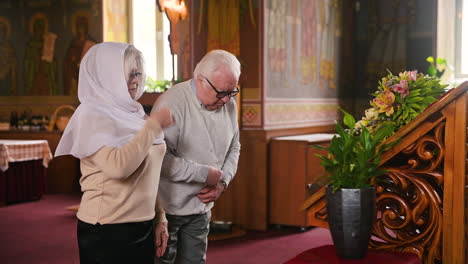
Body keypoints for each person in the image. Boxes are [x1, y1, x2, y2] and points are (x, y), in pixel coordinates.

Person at [55, 42, 173, 264]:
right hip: (107, 229)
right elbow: (119, 167)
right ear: (107, 76)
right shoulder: (91, 114)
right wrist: (153, 126)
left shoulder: (137, 115)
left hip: (143, 224)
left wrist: (160, 217)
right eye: (126, 75)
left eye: (137, 73)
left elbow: (151, 173)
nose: (135, 81)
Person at [154, 49, 241, 264]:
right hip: (167, 208)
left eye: (233, 92)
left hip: (201, 209)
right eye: (221, 93)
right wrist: (205, 174)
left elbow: (234, 147)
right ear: (200, 80)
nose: (227, 99)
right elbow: (158, 160)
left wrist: (222, 181)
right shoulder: (172, 103)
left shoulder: (229, 102)